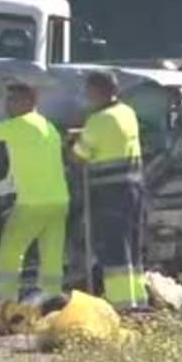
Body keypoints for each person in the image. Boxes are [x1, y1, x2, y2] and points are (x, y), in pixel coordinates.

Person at [0, 82, 70, 304]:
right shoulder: (48, 126)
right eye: (8, 99)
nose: (8, 105)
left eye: (13, 99)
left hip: (32, 201)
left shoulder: (20, 125)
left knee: (10, 253)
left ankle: (7, 304)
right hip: (58, 200)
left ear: (29, 102)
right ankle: (50, 301)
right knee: (51, 256)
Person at [72, 70, 148, 312]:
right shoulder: (128, 113)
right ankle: (138, 300)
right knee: (132, 247)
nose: (87, 95)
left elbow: (79, 155)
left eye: (89, 90)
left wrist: (72, 143)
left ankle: (120, 304)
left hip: (110, 192)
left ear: (98, 91)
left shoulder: (99, 120)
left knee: (114, 248)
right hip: (133, 188)